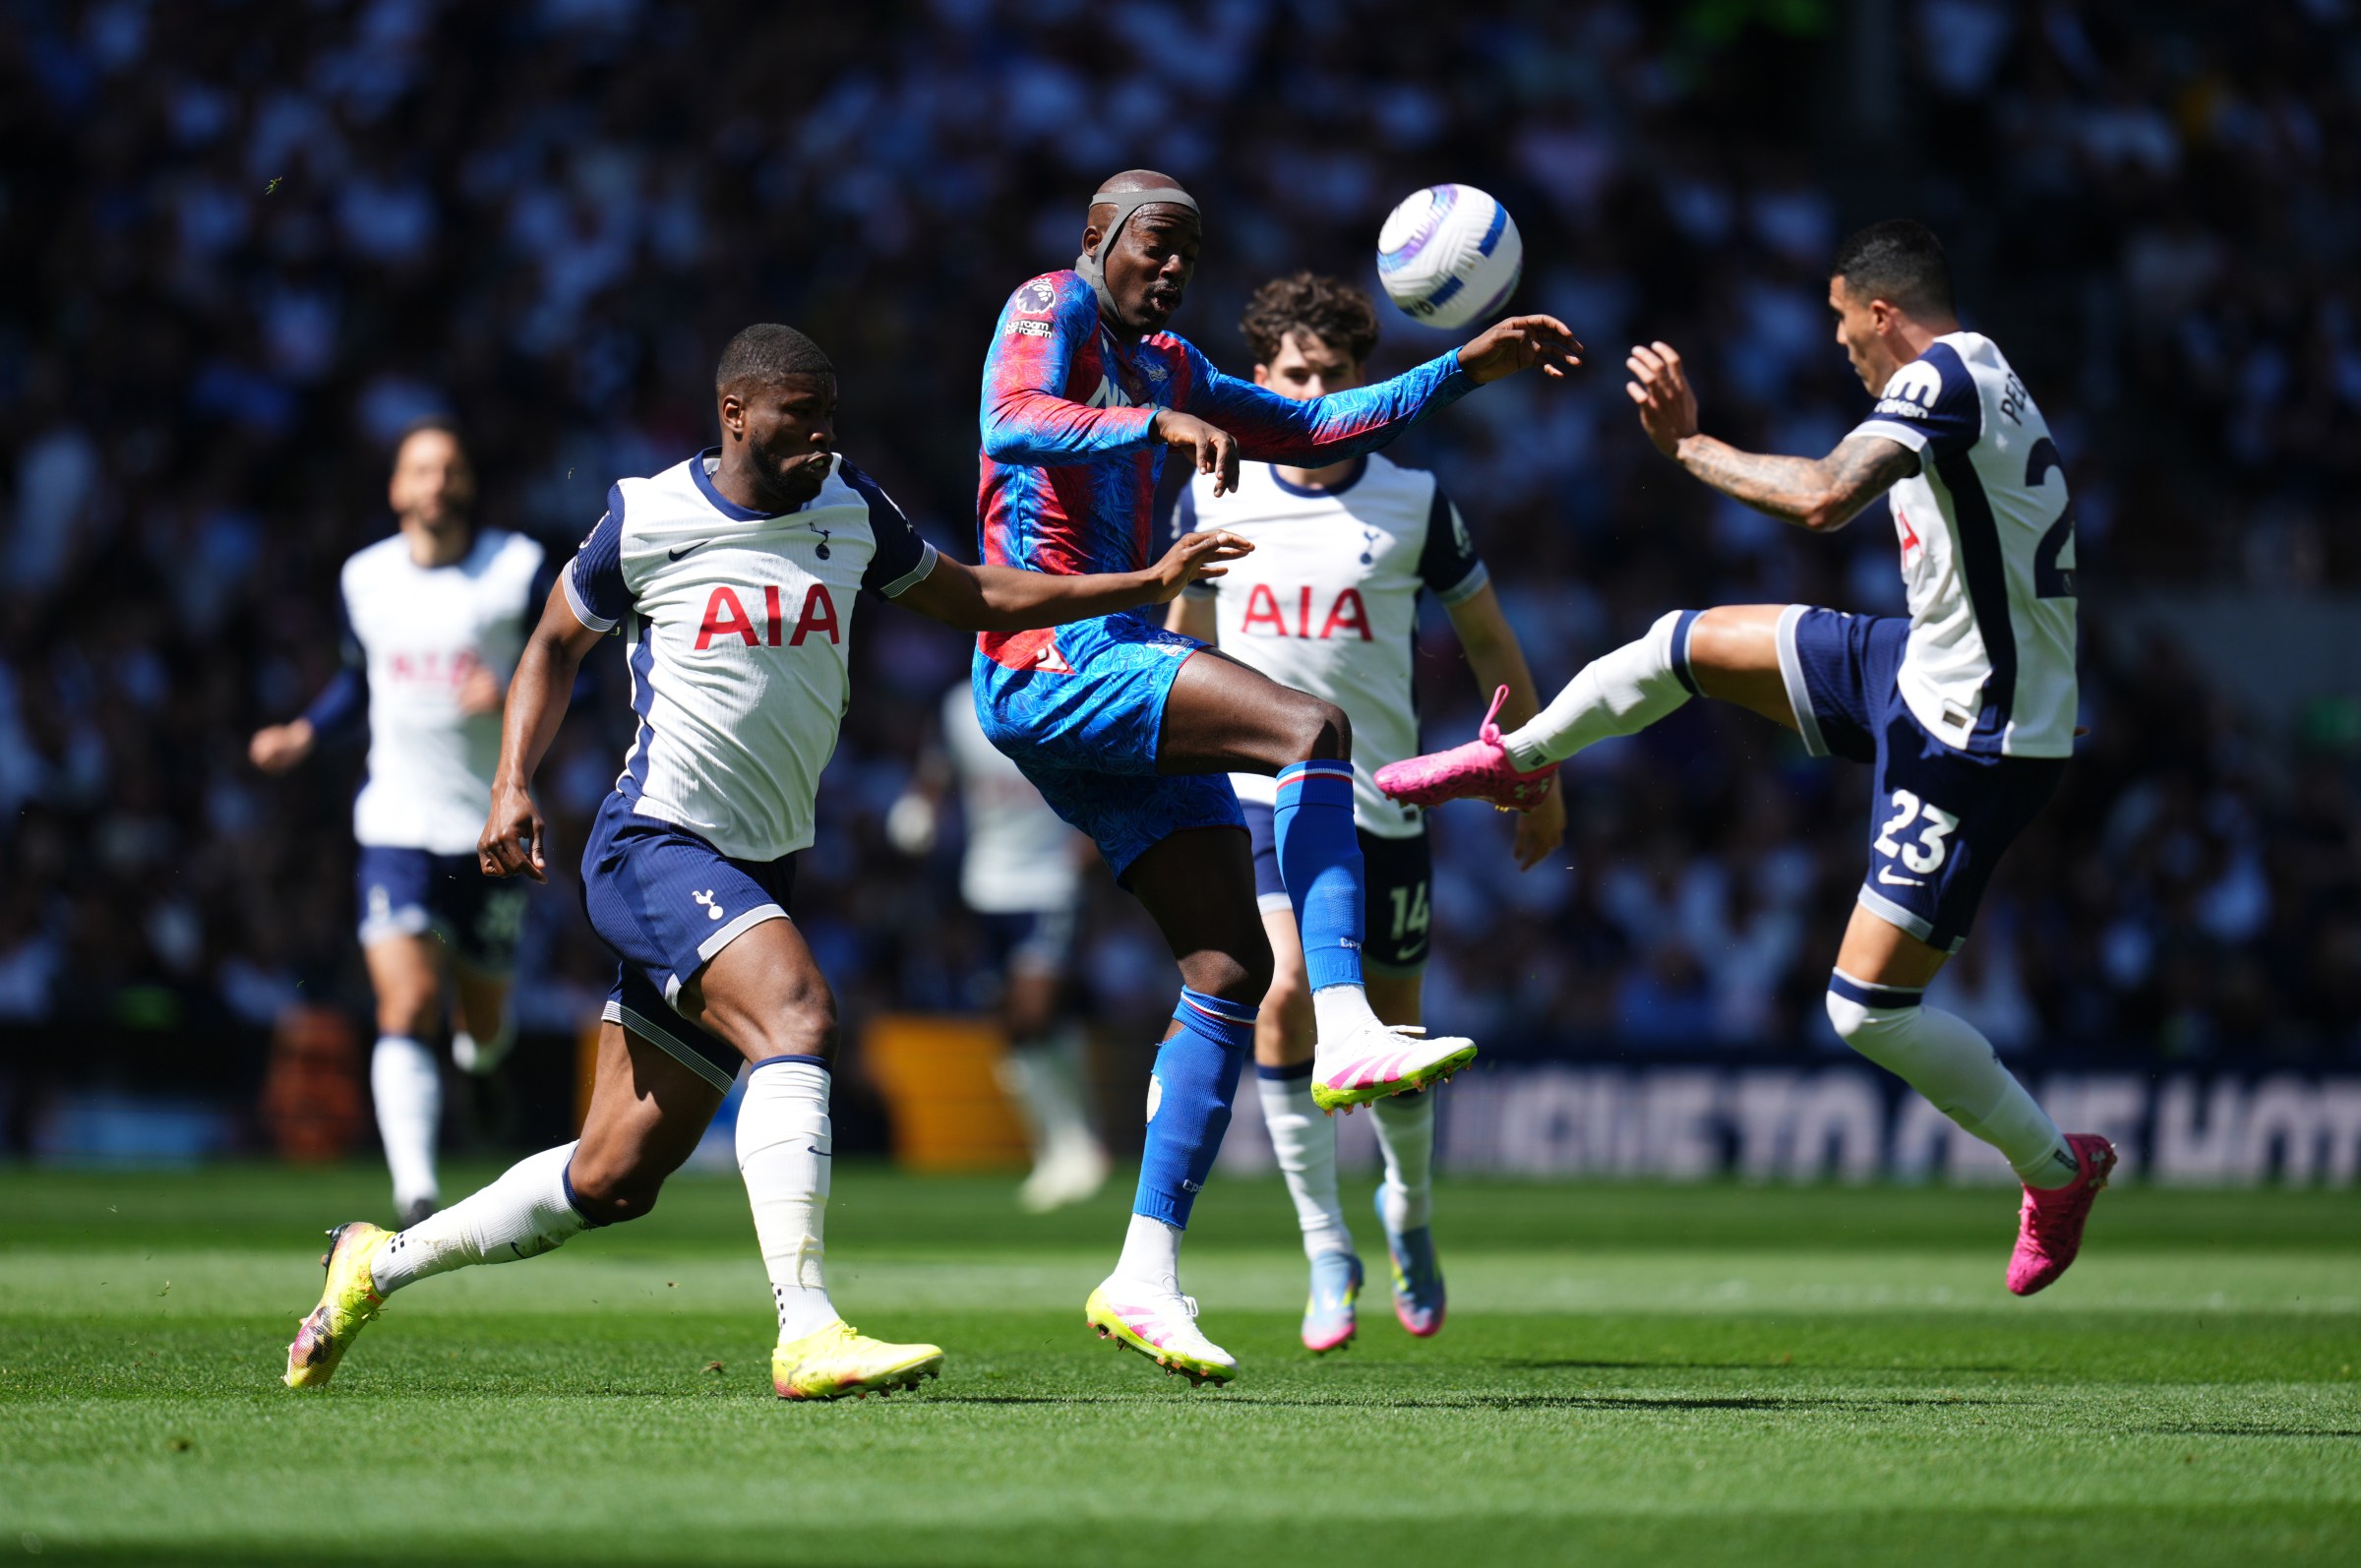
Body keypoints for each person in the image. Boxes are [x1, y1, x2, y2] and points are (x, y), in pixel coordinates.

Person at [282, 324, 1249, 1401]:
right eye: (802, 413)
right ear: (736, 413)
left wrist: (1144, 582)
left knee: (612, 1175)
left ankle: (378, 1260)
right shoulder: (647, 516)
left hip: (756, 866)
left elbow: (974, 598)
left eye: (831, 412)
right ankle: (808, 1325)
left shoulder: (849, 506)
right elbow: (553, 644)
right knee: (797, 1013)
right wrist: (512, 777)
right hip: (656, 843)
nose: (823, 433)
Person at [1380, 220, 2115, 1295]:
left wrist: (1688, 449)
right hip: (1921, 668)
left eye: (1838, 323)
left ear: (1880, 312)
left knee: (1864, 1009)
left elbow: (1824, 495)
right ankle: (1519, 755)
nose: (1837, 346)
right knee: (1684, 643)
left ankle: (2057, 1169)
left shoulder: (1944, 375)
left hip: (1980, 738)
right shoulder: (1987, 377)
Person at [975, 169, 1582, 1384]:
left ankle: (1144, 1271)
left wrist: (1463, 368)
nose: (1172, 269)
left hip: (1113, 665)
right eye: (1155, 246)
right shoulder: (1051, 306)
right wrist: (1151, 428)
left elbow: (1311, 428)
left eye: (1189, 252)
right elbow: (1014, 422)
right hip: (1055, 651)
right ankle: (1351, 1025)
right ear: (1098, 237)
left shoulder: (1179, 367)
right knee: (1311, 730)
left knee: (1230, 970)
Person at [1163, 271, 1565, 1352]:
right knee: (1286, 991)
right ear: (1261, 382)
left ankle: (1410, 1211)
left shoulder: (1416, 500)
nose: (1317, 391)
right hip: (1253, 791)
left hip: (1383, 802)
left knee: (1396, 1030)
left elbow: (1489, 643)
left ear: (1362, 381)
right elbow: (1179, 641)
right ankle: (1325, 1245)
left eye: (1336, 375)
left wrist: (1539, 769)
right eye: (1297, 375)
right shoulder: (1213, 490)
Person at [249, 418, 544, 1227]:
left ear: (468, 483)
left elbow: (571, 670)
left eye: (449, 468)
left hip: (488, 831)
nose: (436, 483)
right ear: (395, 489)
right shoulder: (366, 580)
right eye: (420, 469)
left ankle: (480, 1066)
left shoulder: (514, 571)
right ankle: (414, 1191)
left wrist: (515, 690)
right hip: (395, 827)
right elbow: (357, 680)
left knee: (480, 1020)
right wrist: (304, 732)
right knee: (405, 1002)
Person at [886, 686, 1110, 1211]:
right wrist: (918, 808)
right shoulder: (957, 706)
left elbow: (1099, 775)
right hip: (986, 883)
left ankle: (1078, 1142)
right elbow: (935, 771)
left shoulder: (1065, 691)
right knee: (1017, 1024)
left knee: (1034, 1010)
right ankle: (1060, 1147)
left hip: (1052, 879)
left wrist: (1092, 840)